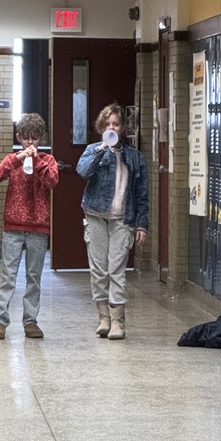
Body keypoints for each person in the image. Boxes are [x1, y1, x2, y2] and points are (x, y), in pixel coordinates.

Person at [76, 103, 149, 340]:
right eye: (107, 124)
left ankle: (118, 321)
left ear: (122, 128)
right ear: (101, 127)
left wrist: (142, 224)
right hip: (96, 216)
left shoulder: (135, 158)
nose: (111, 128)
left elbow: (142, 194)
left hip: (122, 220)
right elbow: (83, 172)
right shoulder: (92, 151)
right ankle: (103, 318)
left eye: (115, 124)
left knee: (116, 270)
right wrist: (101, 150)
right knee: (98, 270)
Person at [0, 112, 59, 339]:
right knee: (8, 275)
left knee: (34, 277)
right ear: (19, 137)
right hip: (13, 227)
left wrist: (36, 160)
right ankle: (0, 321)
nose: (30, 143)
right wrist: (18, 159)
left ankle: (31, 321)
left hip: (39, 227)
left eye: (35, 138)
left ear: (41, 139)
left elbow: (52, 182)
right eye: (26, 138)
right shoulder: (13, 160)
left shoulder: (48, 161)